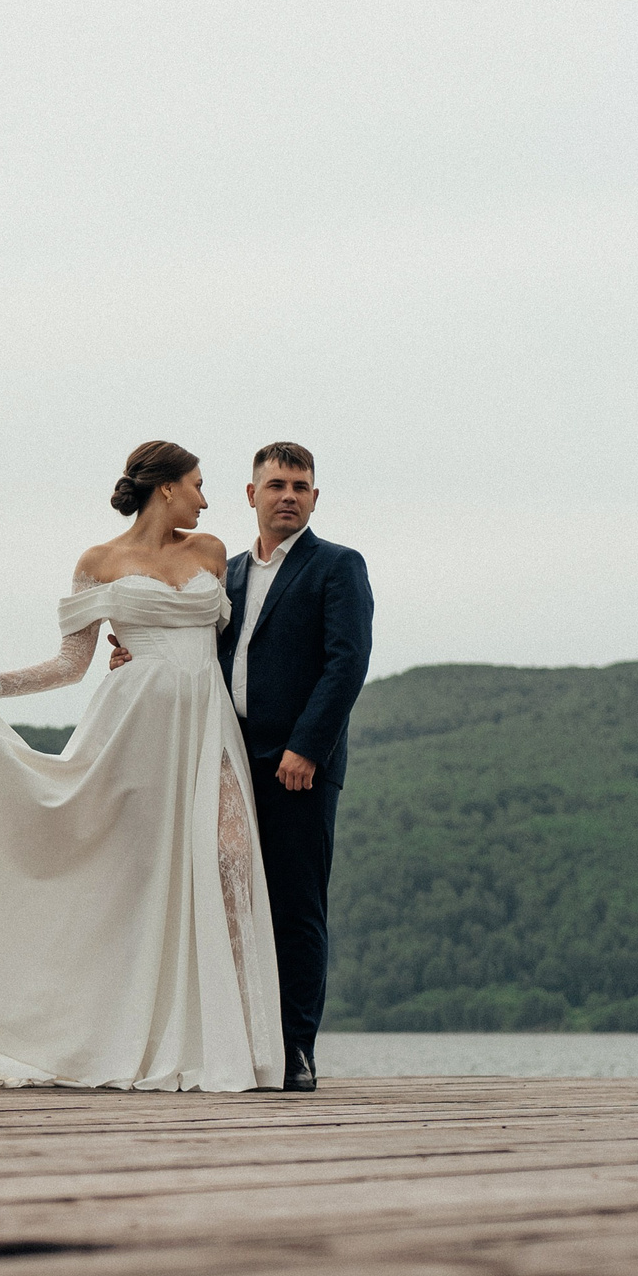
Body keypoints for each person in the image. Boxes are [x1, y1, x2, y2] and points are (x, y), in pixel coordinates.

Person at [0, 441, 285, 1092]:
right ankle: (95, 1027)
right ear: (165, 489)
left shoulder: (212, 552)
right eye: (197, 483)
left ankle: (242, 1046)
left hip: (206, 726)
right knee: (132, 880)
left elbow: (231, 643)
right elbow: (70, 664)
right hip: (133, 732)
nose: (205, 496)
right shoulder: (98, 562)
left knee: (227, 858)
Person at [209, 442, 372, 1090]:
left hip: (297, 762)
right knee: (228, 901)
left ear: (314, 497)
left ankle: (296, 1049)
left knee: (296, 906)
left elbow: (346, 661)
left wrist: (308, 746)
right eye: (276, 483)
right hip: (227, 758)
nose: (288, 494)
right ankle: (237, 1043)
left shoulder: (337, 566)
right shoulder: (222, 574)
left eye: (301, 485)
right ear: (250, 494)